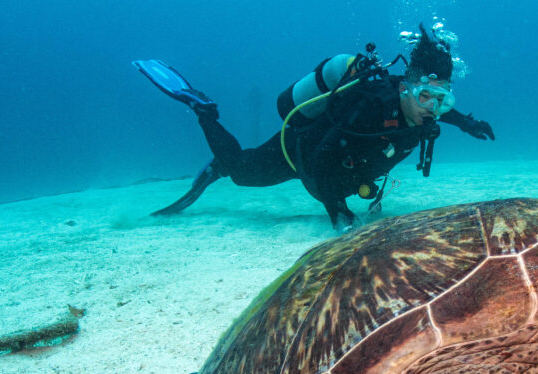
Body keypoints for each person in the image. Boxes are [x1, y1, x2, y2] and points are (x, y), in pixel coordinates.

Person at [134, 25, 495, 232]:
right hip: (300, 152)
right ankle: (202, 109)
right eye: (426, 96)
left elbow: (436, 108)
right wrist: (340, 214)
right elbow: (319, 165)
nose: (433, 108)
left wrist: (466, 122)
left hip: (347, 170)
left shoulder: (421, 108)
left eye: (443, 99)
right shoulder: (368, 107)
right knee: (241, 172)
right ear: (405, 88)